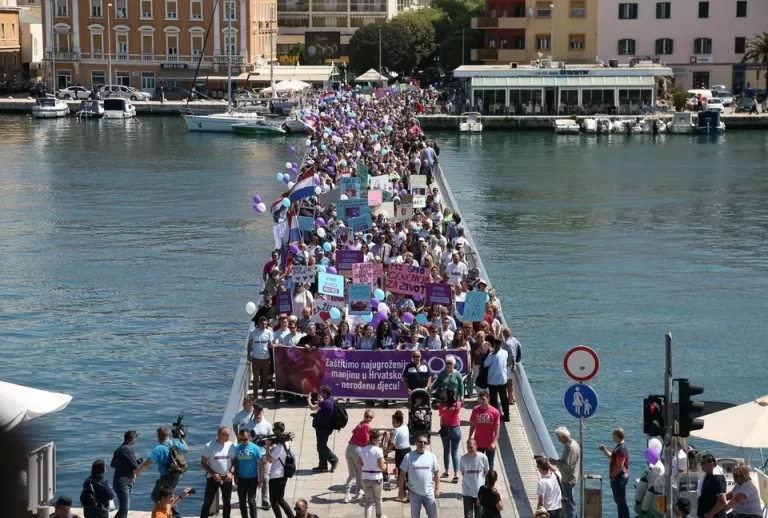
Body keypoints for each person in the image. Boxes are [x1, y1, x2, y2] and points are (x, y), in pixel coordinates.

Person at [135, 427, 188, 518]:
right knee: (169, 496)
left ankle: (172, 514)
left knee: (155, 496)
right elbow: (186, 450)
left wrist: (138, 471)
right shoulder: (176, 443)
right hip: (177, 474)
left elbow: (149, 462)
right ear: (168, 434)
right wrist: (181, 437)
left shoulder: (159, 448)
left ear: (158, 436)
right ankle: (174, 514)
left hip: (167, 476)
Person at [398, 435, 440, 518]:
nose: (422, 444)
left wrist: (437, 489)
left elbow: (436, 472)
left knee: (433, 515)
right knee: (415, 515)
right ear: (416, 443)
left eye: (425, 442)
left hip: (429, 492)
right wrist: (400, 490)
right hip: (414, 493)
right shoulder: (408, 456)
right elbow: (402, 474)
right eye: (420, 442)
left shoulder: (431, 457)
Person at [199, 426, 237, 518]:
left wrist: (230, 473)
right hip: (213, 477)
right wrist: (213, 473)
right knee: (208, 501)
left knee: (227, 502)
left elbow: (234, 463)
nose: (228, 437)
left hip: (226, 477)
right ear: (219, 434)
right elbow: (203, 463)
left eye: (229, 435)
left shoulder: (231, 445)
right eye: (226, 435)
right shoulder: (209, 446)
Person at [243, 403, 273, 510]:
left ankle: (265, 500)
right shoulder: (248, 425)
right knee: (252, 477)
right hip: (252, 456)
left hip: (264, 454)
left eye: (259, 411)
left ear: (262, 412)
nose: (258, 413)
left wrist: (270, 451)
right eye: (256, 411)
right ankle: (252, 498)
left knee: (265, 477)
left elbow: (271, 440)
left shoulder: (267, 425)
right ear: (253, 412)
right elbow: (243, 440)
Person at [307, 385, 339, 473]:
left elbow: (312, 408)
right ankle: (323, 465)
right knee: (320, 446)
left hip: (323, 428)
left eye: (321, 391)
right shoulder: (330, 400)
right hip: (324, 427)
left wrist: (308, 400)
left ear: (324, 393)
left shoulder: (325, 403)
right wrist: (322, 401)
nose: (319, 393)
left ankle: (333, 459)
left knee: (321, 447)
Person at [550, 426, 581, 518]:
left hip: (568, 478)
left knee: (568, 504)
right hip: (571, 476)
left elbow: (567, 465)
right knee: (571, 502)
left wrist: (556, 463)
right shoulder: (573, 444)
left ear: (564, 436)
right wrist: (558, 461)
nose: (559, 441)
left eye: (560, 438)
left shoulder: (571, 447)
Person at [599, 428, 629, 518]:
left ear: (617, 436)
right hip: (617, 478)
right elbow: (612, 457)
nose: (612, 436)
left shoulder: (622, 449)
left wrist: (613, 475)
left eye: (613, 435)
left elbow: (620, 466)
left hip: (619, 478)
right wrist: (604, 450)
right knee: (618, 502)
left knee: (621, 502)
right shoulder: (618, 447)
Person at [266, 422, 294, 518]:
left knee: (274, 500)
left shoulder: (279, 446)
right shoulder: (285, 443)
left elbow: (268, 459)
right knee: (280, 499)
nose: (273, 431)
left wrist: (267, 447)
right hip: (283, 474)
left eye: (274, 429)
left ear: (278, 430)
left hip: (276, 476)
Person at [345, 410, 373, 503]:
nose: (368, 418)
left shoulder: (361, 423)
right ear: (364, 416)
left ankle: (347, 494)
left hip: (349, 448)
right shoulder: (366, 425)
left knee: (352, 474)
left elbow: (353, 431)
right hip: (357, 450)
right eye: (367, 416)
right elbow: (366, 440)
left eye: (370, 417)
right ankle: (359, 491)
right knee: (360, 472)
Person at [234, 428, 264, 518]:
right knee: (242, 502)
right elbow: (234, 464)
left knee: (251, 501)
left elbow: (260, 465)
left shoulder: (255, 448)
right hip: (241, 478)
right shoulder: (236, 448)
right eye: (241, 439)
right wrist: (235, 477)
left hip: (252, 478)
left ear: (250, 437)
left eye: (245, 439)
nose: (243, 441)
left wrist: (261, 479)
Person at [357, 430, 387, 518]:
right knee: (378, 499)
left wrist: (363, 471)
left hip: (365, 477)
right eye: (379, 440)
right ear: (373, 440)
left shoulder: (363, 450)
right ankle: (379, 515)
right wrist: (384, 468)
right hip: (376, 477)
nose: (380, 442)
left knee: (368, 500)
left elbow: (358, 463)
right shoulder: (378, 450)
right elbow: (381, 466)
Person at [111, 430, 140, 518]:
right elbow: (134, 466)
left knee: (123, 507)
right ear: (132, 439)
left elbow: (113, 464)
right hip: (124, 482)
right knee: (124, 508)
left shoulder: (118, 449)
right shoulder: (128, 448)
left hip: (118, 481)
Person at [469, 390, 501, 470]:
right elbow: (473, 424)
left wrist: (494, 442)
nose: (481, 401)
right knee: (478, 464)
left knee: (489, 464)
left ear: (488, 398)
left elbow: (497, 429)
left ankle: (489, 481)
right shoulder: (476, 410)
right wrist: (470, 437)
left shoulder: (495, 412)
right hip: (478, 442)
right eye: (480, 399)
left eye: (483, 399)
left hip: (489, 443)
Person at [459, 439, 489, 518]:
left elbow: (486, 471)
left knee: (479, 515)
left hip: (479, 492)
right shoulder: (463, 459)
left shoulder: (483, 457)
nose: (469, 449)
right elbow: (463, 472)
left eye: (471, 447)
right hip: (467, 491)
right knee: (468, 515)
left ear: (476, 446)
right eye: (468, 447)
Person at [438, 388, 462, 483]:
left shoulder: (442, 405)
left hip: (445, 428)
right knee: (455, 452)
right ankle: (456, 474)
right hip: (456, 428)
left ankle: (446, 471)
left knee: (446, 451)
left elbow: (441, 417)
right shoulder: (458, 404)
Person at [248, 316, 274, 400]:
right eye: (262, 324)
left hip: (266, 359)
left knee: (265, 378)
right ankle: (255, 396)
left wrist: (271, 345)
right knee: (256, 378)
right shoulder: (253, 332)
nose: (264, 325)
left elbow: (271, 343)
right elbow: (249, 344)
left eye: (265, 324)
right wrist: (249, 354)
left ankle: (264, 395)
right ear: (259, 323)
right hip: (256, 358)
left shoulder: (269, 333)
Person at [484, 338, 510, 422]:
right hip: (502, 379)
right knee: (504, 398)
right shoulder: (505, 353)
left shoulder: (492, 355)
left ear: (494, 345)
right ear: (501, 344)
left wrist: (490, 352)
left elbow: (485, 364)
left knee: (494, 399)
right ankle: (506, 416)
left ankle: (495, 416)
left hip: (492, 380)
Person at [698, 453, 727, 518]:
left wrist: (710, 514)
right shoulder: (708, 475)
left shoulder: (716, 477)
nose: (702, 466)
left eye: (703, 463)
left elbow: (722, 501)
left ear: (712, 464)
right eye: (701, 463)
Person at [501, 328, 521, 404]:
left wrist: (513, 365)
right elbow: (520, 347)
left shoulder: (507, 344)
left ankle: (509, 398)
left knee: (507, 382)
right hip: (511, 365)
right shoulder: (514, 340)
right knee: (510, 382)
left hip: (508, 365)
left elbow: (512, 355)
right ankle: (511, 397)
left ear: (504, 334)